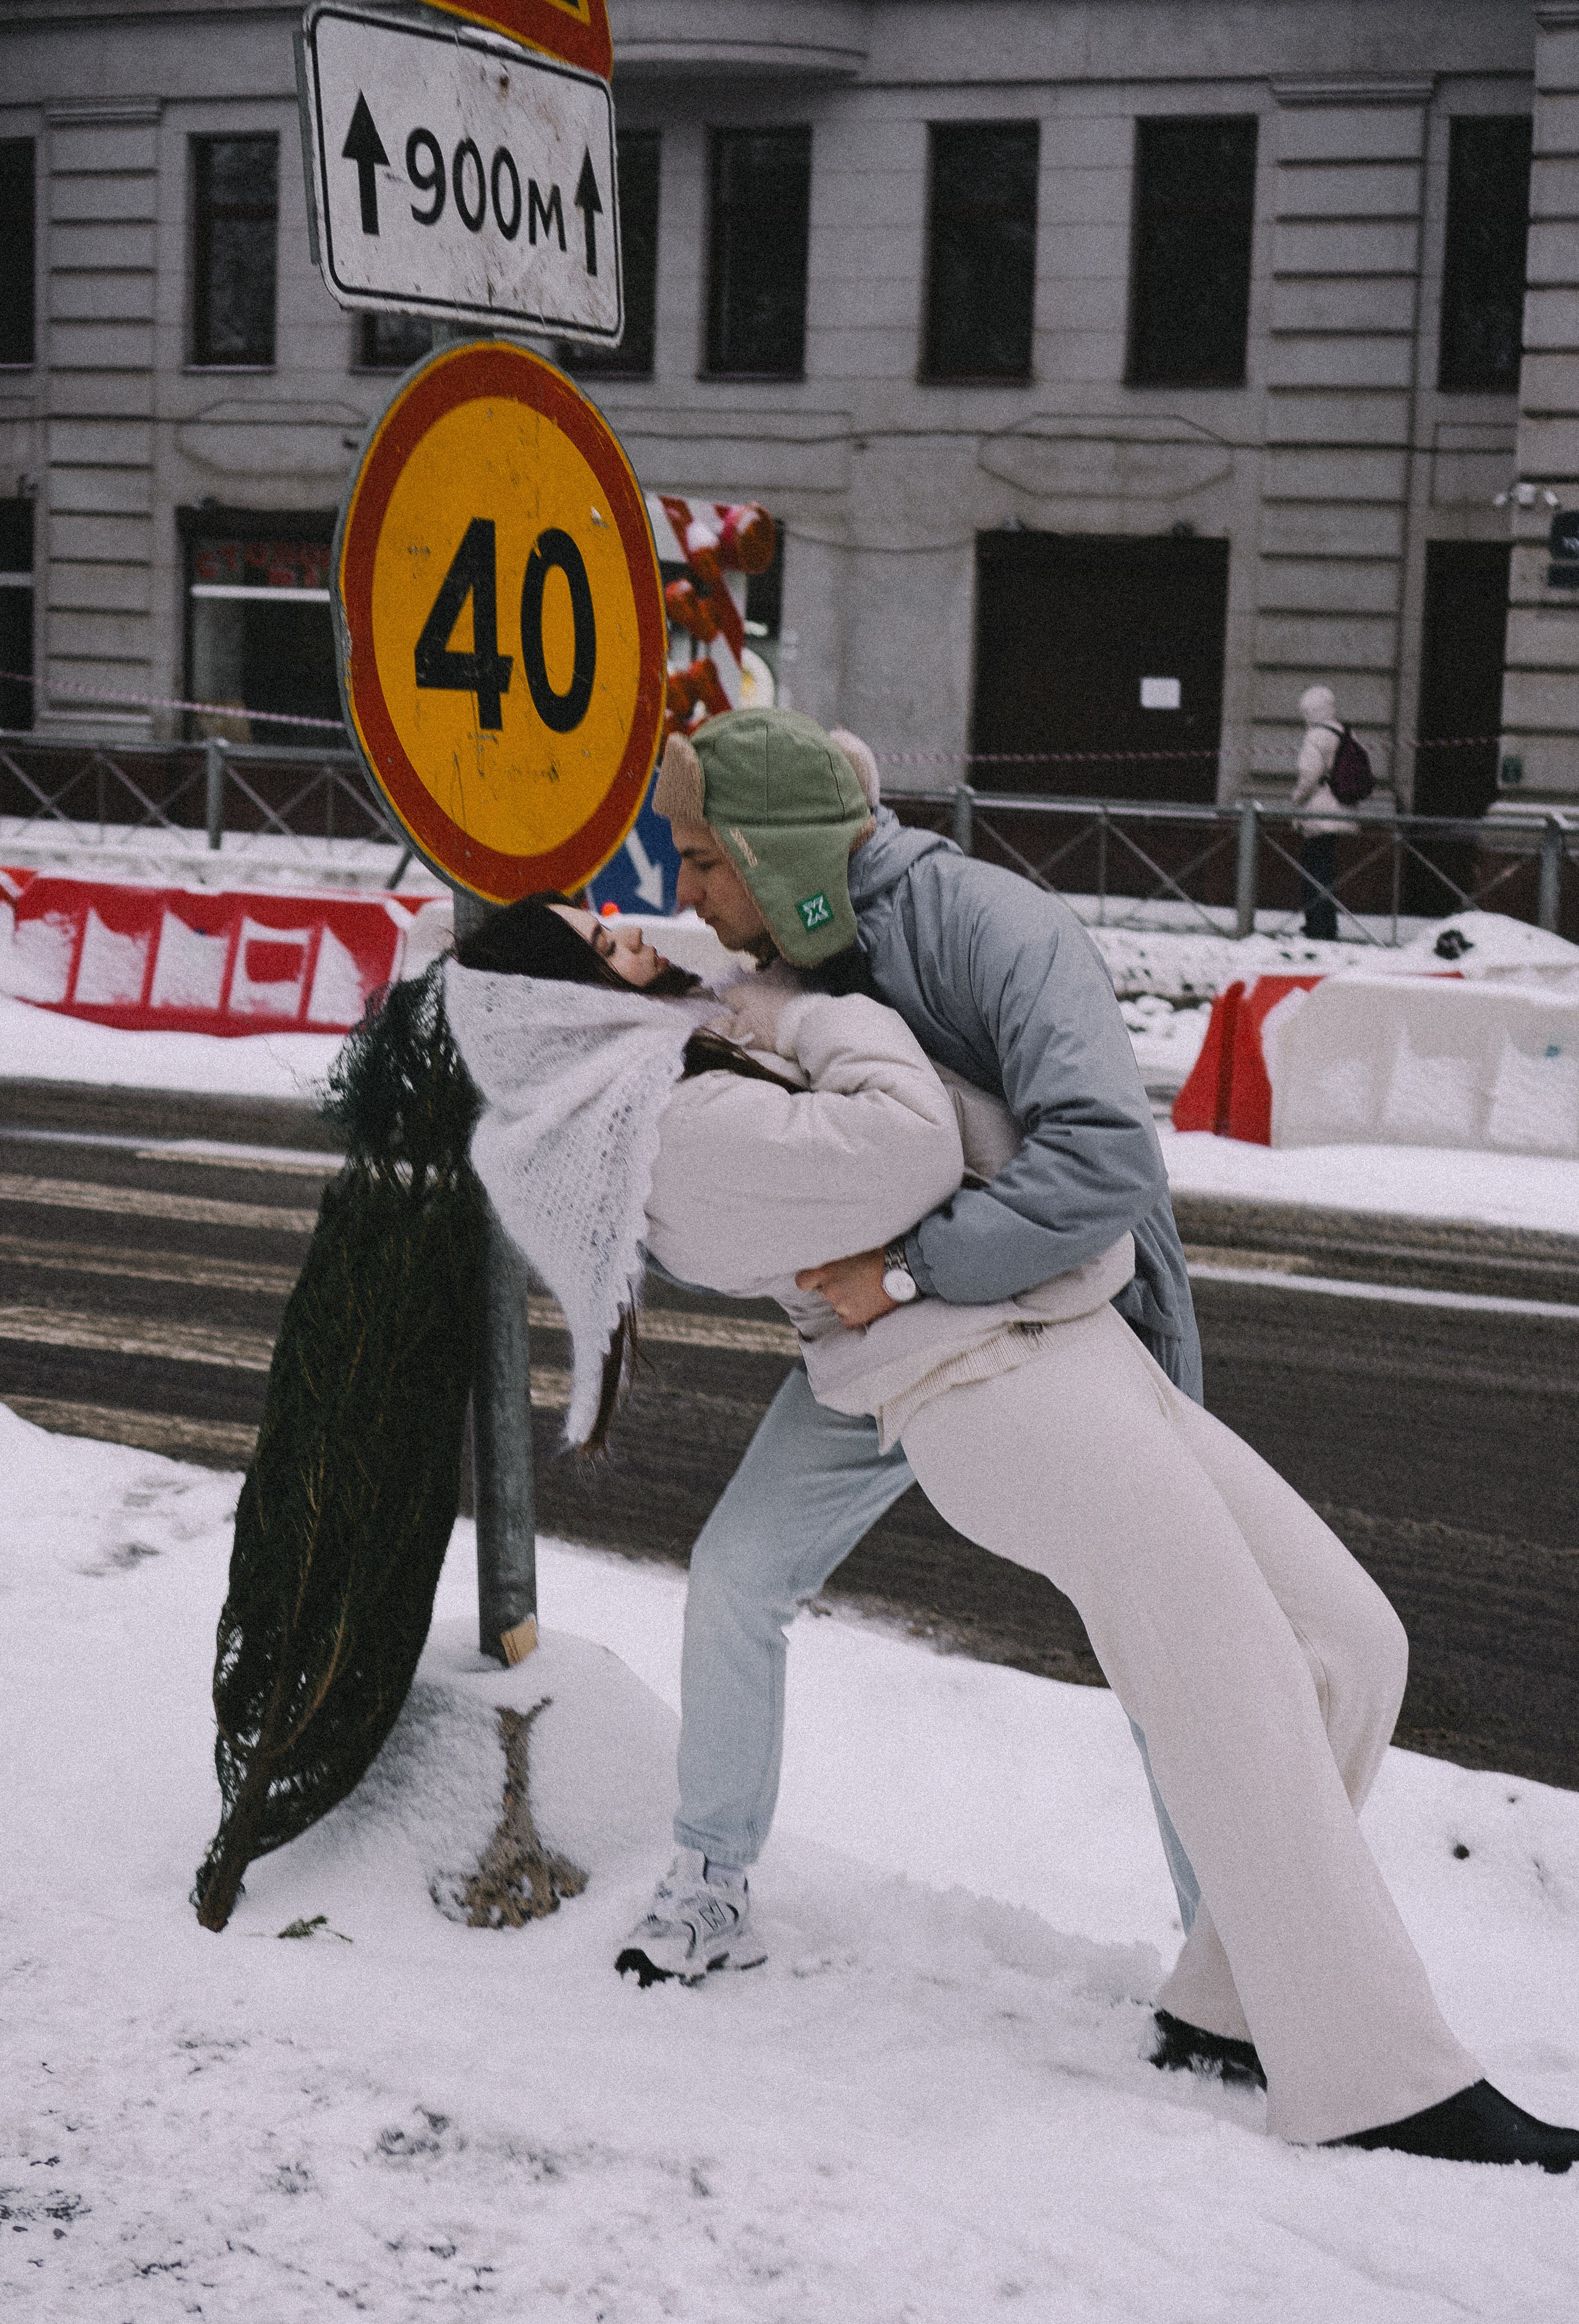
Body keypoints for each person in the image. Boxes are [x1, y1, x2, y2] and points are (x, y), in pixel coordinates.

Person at [444, 892, 1579, 2167]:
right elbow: (912, 1148)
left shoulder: (701, 1049)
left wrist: (763, 1002)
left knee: (1350, 1644)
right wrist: (814, 1010)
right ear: (577, 1014)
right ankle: (1376, 2082)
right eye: (602, 949)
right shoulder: (680, 1129)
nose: (633, 931)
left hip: (1072, 1343)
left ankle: (1220, 2005)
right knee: (1230, 1671)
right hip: (989, 1394)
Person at [643, 709, 1212, 2053]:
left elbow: (1104, 1166)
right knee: (736, 1575)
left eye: (701, 862)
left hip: (1076, 1341)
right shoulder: (788, 952)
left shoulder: (998, 930)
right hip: (891, 1353)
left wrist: (902, 1266)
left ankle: (1226, 1963)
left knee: (1161, 1642)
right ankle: (708, 1884)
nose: (685, 895)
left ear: (777, 854)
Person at [1292, 682, 1352, 941]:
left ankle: (1319, 926)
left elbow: (1309, 776)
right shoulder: (1344, 733)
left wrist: (1296, 800)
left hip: (1319, 811)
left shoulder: (1315, 736)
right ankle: (1326, 924)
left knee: (1313, 870)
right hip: (1342, 808)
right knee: (1325, 867)